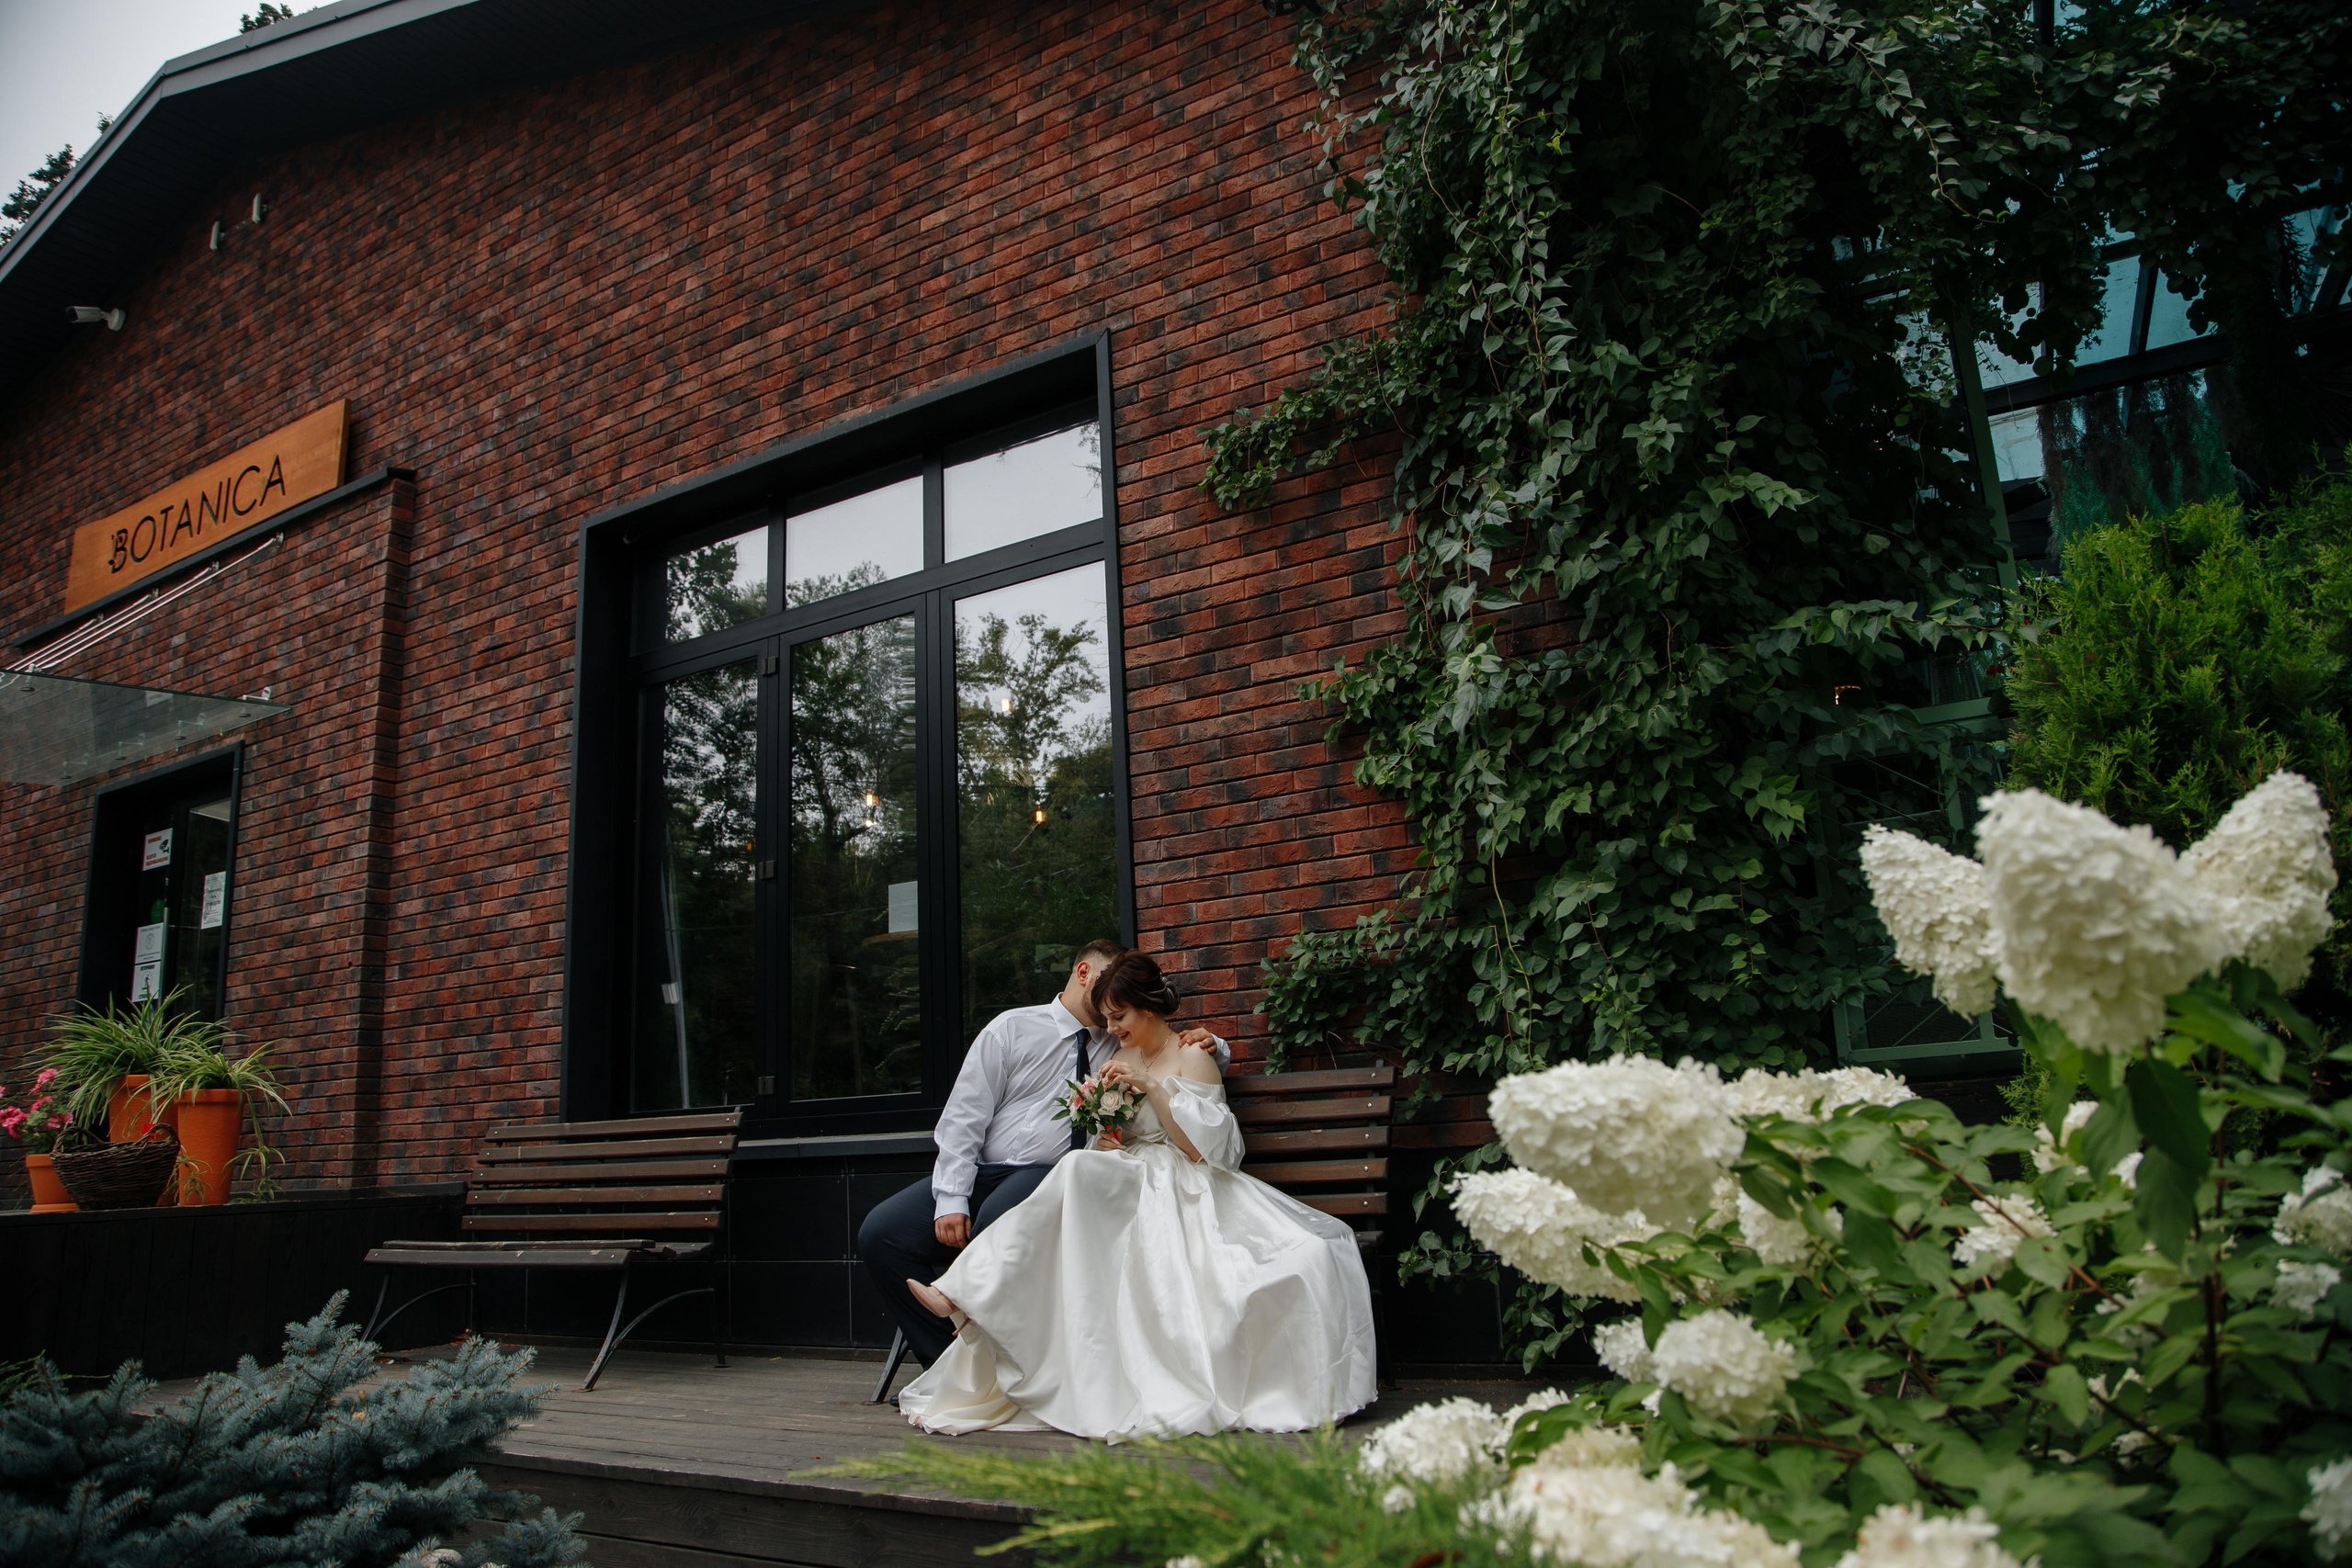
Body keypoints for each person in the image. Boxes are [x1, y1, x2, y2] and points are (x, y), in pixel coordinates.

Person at [896, 950, 1379, 1439]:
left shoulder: (1193, 1054)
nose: (1112, 1029)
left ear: (1148, 1008)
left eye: (1119, 1017)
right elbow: (1103, 1137)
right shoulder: (1116, 1056)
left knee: (1311, 1250)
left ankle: (968, 1293)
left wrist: (1153, 1087)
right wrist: (1104, 1132)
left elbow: (1206, 1151)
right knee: (1078, 1166)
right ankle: (966, 1294)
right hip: (1127, 1175)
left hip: (1188, 1178)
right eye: (1106, 1019)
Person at [855, 940, 1227, 1371]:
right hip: (984, 1172)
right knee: (881, 1233)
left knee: (999, 1214)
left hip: (1053, 1176)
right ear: (1083, 973)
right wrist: (952, 1198)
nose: (1111, 1013)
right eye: (1105, 994)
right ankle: (949, 1367)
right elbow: (962, 1121)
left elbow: (1164, 1047)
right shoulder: (1011, 1029)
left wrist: (1213, 1041)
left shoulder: (1116, 1039)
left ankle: (989, 1353)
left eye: (1118, 1006)